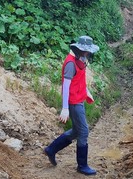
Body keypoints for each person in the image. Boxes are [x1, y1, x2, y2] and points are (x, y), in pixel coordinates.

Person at [43, 36, 99, 175]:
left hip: (79, 98)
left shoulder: (81, 60)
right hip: (74, 102)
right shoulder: (70, 63)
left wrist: (86, 92)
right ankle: (82, 165)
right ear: (79, 49)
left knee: (76, 131)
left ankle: (51, 149)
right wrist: (65, 108)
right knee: (83, 131)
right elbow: (66, 86)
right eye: (86, 51)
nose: (87, 54)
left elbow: (79, 80)